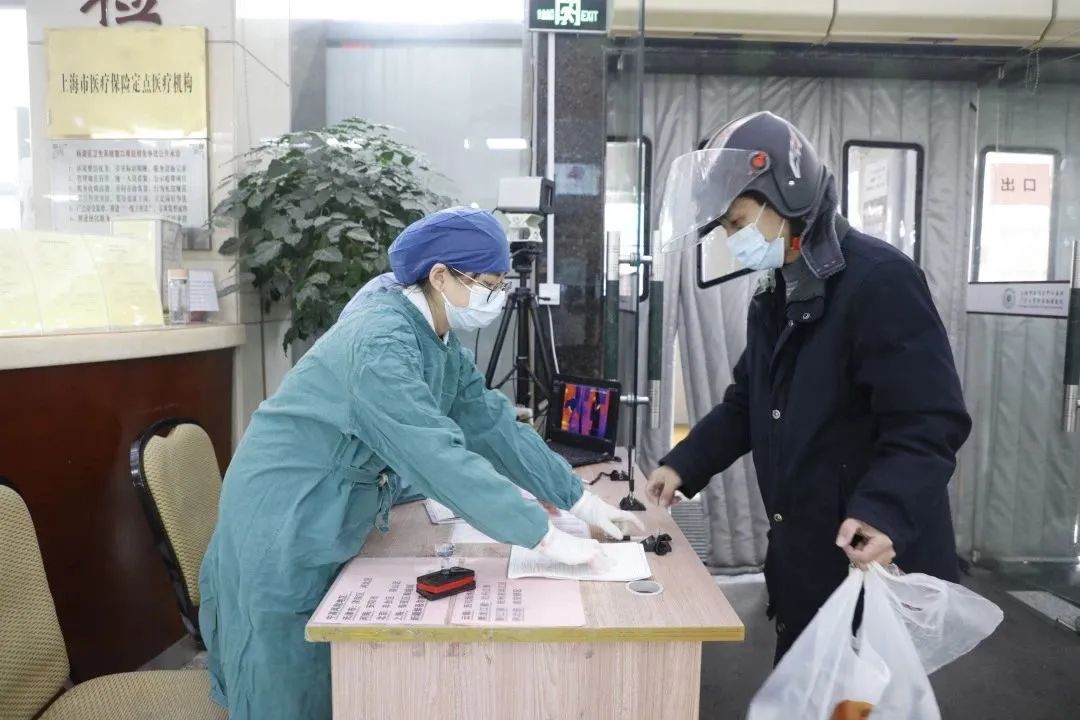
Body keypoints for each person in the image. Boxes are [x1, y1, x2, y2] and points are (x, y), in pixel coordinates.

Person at [199, 207, 643, 720]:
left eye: (502, 286)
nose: (497, 298)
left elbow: (494, 425)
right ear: (439, 276)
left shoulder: (436, 339)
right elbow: (434, 454)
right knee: (289, 680)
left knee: (338, 680)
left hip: (328, 504)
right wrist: (541, 536)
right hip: (284, 514)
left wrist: (580, 501)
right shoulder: (380, 341)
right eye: (488, 285)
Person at [646, 112, 971, 663]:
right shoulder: (777, 291)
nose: (735, 239)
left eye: (738, 221)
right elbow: (748, 402)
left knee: (860, 697)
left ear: (788, 197)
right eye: (726, 228)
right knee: (804, 694)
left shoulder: (878, 281)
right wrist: (683, 465)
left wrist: (883, 510)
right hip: (808, 566)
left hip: (872, 560)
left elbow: (928, 422)